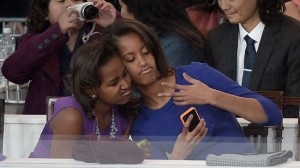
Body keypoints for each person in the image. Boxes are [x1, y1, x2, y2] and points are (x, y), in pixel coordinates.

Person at [102, 19, 283, 160]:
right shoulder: (141, 124)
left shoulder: (196, 74)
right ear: (121, 67)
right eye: (130, 59)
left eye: (145, 52)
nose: (142, 62)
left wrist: (213, 97)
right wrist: (178, 156)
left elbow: (273, 115)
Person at [1, 0, 117, 115]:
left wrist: (115, 23)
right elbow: (11, 72)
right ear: (45, 12)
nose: (70, 4)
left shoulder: (100, 36)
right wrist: (57, 31)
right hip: (46, 124)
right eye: (61, 1)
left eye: (76, 0)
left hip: (94, 123)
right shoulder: (36, 41)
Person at [30, 40, 135, 158]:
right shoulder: (71, 117)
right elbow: (62, 167)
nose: (126, 84)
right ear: (91, 90)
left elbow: (121, 160)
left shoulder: (125, 109)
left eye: (125, 74)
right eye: (114, 83)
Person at [207, 0, 300, 117]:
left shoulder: (294, 37)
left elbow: (294, 108)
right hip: (227, 132)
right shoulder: (216, 38)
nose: (224, 6)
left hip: (278, 131)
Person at [118, 0, 211, 68]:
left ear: (138, 11)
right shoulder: (172, 34)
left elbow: (164, 89)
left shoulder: (175, 46)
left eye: (122, 6)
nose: (121, 14)